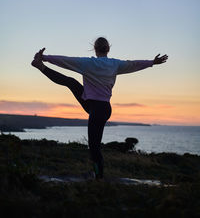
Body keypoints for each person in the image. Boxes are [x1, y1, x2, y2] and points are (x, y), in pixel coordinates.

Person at [31, 37, 168, 179]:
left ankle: (99, 177)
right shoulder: (115, 64)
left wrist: (45, 57)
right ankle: (98, 175)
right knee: (71, 83)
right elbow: (133, 64)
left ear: (95, 49)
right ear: (108, 49)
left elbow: (66, 60)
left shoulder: (87, 63)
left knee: (94, 147)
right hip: (102, 108)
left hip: (94, 108)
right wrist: (152, 62)